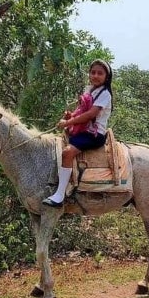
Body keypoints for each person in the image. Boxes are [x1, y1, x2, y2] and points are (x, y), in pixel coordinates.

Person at [43, 59, 113, 208]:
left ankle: (59, 195)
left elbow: (90, 115)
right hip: (83, 130)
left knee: (67, 152)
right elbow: (81, 110)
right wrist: (71, 116)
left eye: (100, 73)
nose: (95, 75)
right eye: (93, 72)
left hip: (94, 134)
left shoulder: (105, 94)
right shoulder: (90, 90)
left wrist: (68, 123)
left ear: (106, 77)